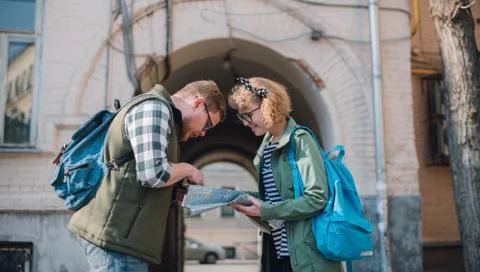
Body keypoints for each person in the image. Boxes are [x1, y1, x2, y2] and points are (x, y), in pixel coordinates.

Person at [69, 81, 226, 271]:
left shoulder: (165, 116)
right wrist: (189, 169)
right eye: (208, 124)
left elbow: (140, 174)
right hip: (116, 240)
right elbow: (153, 174)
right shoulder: (156, 109)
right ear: (198, 103)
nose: (203, 133)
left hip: (120, 238)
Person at [229, 77, 342, 272]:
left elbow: (316, 198)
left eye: (248, 115)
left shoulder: (300, 140)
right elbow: (277, 199)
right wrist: (241, 199)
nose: (246, 123)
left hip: (305, 256)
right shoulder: (267, 145)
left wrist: (266, 210)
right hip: (278, 252)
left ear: (267, 105)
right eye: (242, 117)